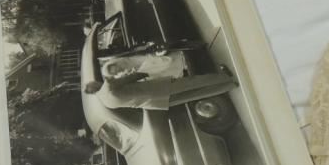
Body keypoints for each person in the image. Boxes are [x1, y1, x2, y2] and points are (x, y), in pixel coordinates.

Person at [84, 66, 237, 112]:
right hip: (156, 89)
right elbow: (131, 78)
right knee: (192, 83)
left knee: (195, 94)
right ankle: (225, 76)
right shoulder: (108, 86)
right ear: (94, 87)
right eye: (94, 82)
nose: (97, 81)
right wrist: (145, 70)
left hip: (154, 104)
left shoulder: (106, 103)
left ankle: (229, 85)